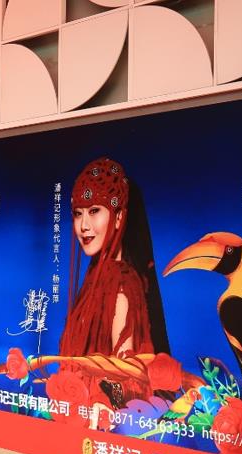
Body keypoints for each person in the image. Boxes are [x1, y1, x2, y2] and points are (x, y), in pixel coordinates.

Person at [59, 157, 170, 407]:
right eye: (78, 214)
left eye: (94, 211)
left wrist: (98, 407)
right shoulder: (96, 278)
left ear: (119, 217)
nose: (83, 226)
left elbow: (123, 377)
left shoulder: (121, 285)